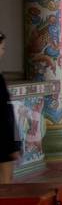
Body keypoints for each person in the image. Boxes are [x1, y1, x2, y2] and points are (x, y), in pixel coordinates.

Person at [0, 32, 21, 184]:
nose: (3, 52)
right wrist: (12, 146)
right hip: (2, 145)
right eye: (2, 48)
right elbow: (3, 114)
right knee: (5, 185)